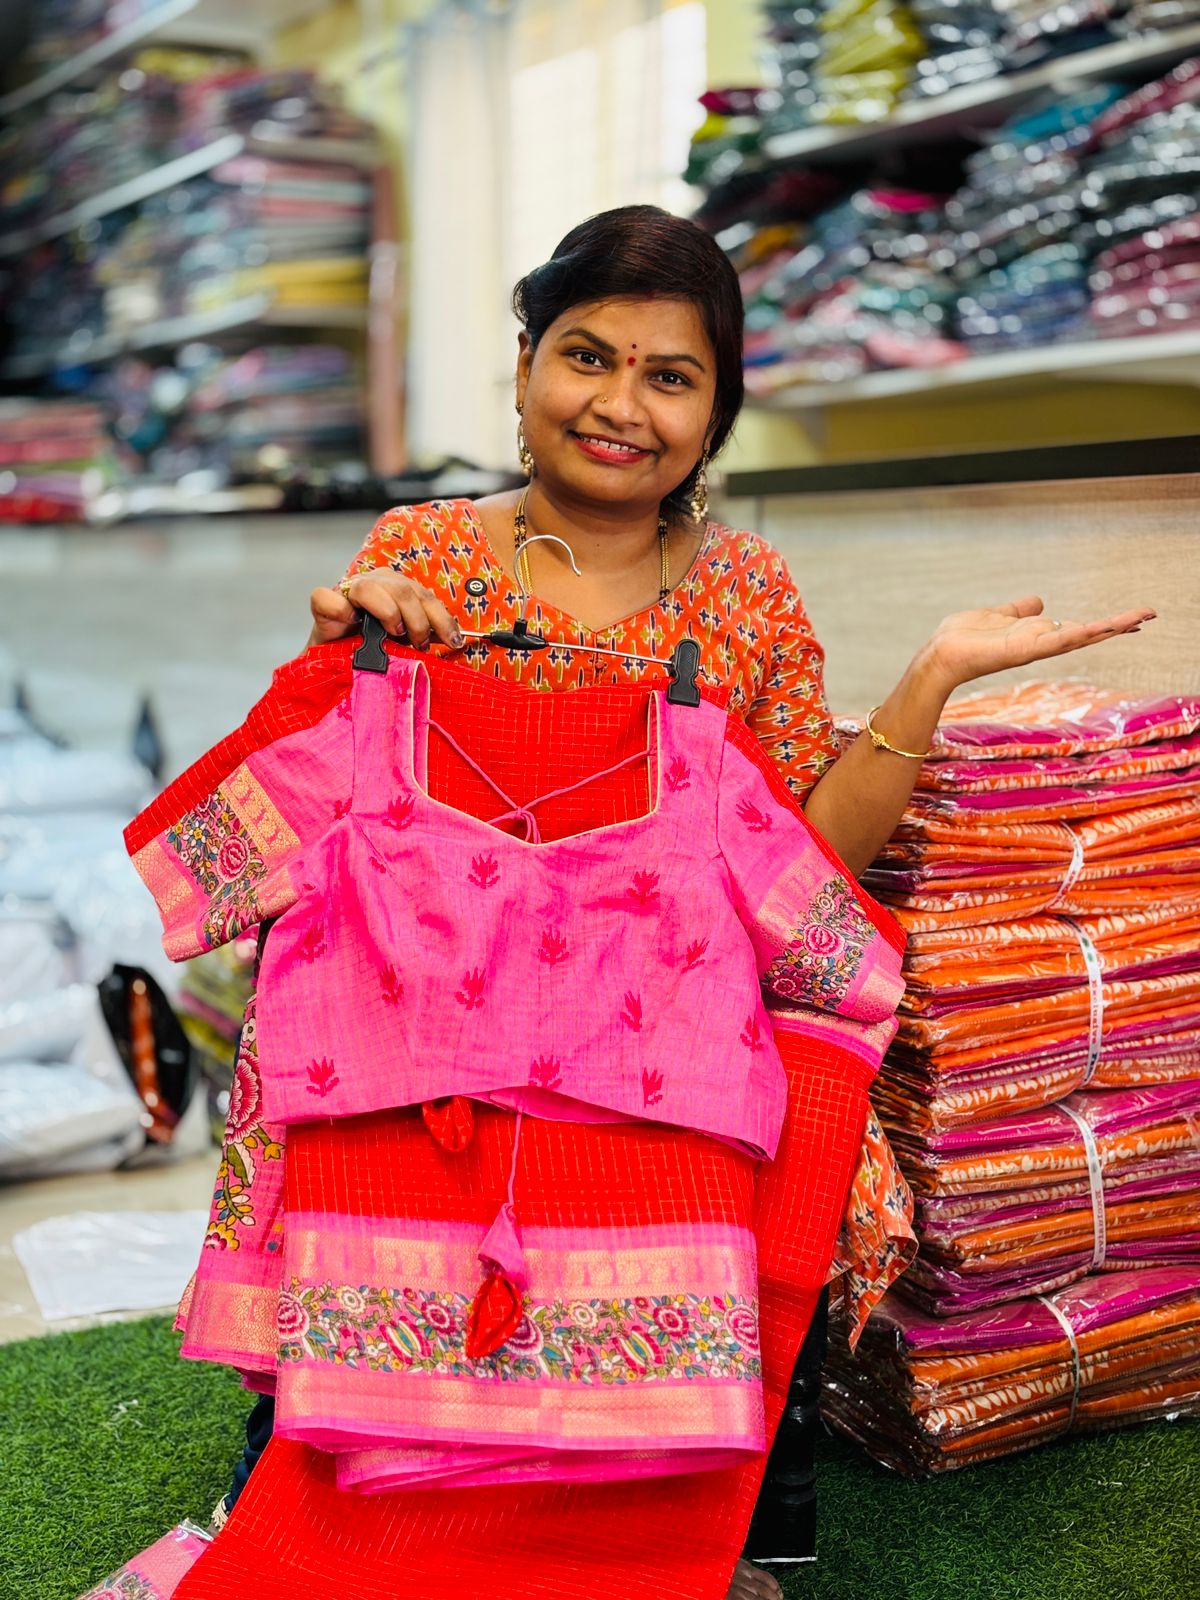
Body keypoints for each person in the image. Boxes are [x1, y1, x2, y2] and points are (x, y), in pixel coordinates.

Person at [208, 205, 1150, 1600]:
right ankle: (354, 1435)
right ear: (527, 364)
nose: (620, 405)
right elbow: (294, 801)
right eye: (587, 356)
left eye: (671, 376)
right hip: (422, 1020)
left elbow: (800, 859)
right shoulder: (430, 555)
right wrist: (345, 643)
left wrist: (931, 678)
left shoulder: (748, 598)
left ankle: (655, 1496)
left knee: (767, 1115)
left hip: (646, 1025)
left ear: (717, 412)